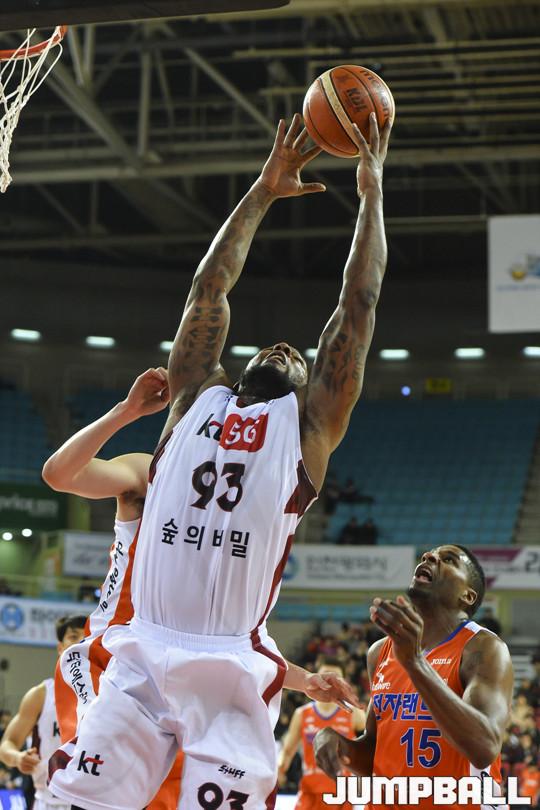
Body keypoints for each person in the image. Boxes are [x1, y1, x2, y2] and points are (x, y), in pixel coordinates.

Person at [49, 109, 392, 810]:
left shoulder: (306, 433)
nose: (285, 348)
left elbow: (356, 309)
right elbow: (209, 289)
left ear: (310, 389)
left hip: (231, 666)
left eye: (299, 357)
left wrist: (372, 194)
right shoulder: (193, 402)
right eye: (273, 346)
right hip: (140, 656)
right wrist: (263, 191)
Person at [44, 368, 361, 806]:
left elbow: (224, 649)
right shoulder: (154, 473)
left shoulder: (248, 503)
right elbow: (61, 475)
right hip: (117, 661)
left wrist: (304, 680)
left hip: (181, 680)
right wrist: (126, 411)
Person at [313, 544, 514, 810]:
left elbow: (484, 747)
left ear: (467, 595)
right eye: (428, 555)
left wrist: (415, 663)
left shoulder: (483, 648)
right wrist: (339, 746)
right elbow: (374, 750)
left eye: (448, 560)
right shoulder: (380, 652)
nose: (429, 557)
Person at [0, 615, 87, 810]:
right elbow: (6, 744)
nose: (81, 642)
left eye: (87, 636)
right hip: (49, 802)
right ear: (60, 647)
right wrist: (18, 758)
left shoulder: (107, 693)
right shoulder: (41, 694)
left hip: (92, 802)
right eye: (74, 636)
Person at [277, 658, 365, 809]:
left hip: (341, 797)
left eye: (336, 678)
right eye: (325, 676)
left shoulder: (355, 714)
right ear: (316, 677)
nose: (330, 682)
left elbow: (369, 751)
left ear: (344, 681)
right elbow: (287, 751)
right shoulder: (302, 714)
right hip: (310, 795)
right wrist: (279, 770)